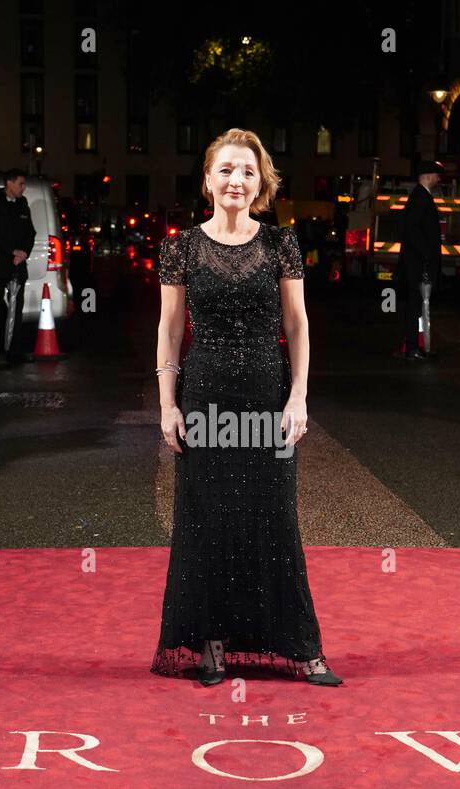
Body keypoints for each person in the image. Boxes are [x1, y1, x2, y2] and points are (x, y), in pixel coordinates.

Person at [152, 127, 340, 686]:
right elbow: (167, 329)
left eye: (248, 172)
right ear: (208, 179)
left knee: (274, 520)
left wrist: (300, 396)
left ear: (262, 184)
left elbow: (297, 325)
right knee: (206, 520)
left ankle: (299, 647)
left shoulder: (281, 244)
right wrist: (166, 403)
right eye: (227, 170)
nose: (237, 180)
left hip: (267, 395)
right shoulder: (180, 247)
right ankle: (211, 644)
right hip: (205, 395)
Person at [0, 167, 37, 366]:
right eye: (20, 183)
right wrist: (11, 252)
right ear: (9, 183)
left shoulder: (22, 204)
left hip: (18, 266)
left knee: (16, 310)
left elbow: (30, 232)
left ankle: (14, 351)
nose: (23, 188)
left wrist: (24, 253)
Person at [396, 160, 442, 360]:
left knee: (415, 304)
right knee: (415, 305)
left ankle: (412, 346)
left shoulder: (420, 196)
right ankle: (412, 347)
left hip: (415, 261)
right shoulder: (421, 197)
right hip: (417, 263)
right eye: (437, 175)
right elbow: (413, 229)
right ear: (428, 176)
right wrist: (426, 255)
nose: (439, 179)